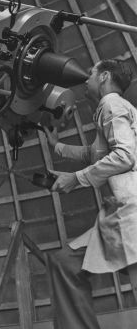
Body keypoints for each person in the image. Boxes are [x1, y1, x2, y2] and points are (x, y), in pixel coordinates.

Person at [44, 58, 137, 329]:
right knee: (65, 264)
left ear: (105, 76)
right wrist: (56, 146)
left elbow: (124, 156)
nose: (86, 79)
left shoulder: (112, 104)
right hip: (118, 214)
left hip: (131, 213)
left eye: (91, 74)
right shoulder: (111, 110)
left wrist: (76, 179)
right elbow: (94, 154)